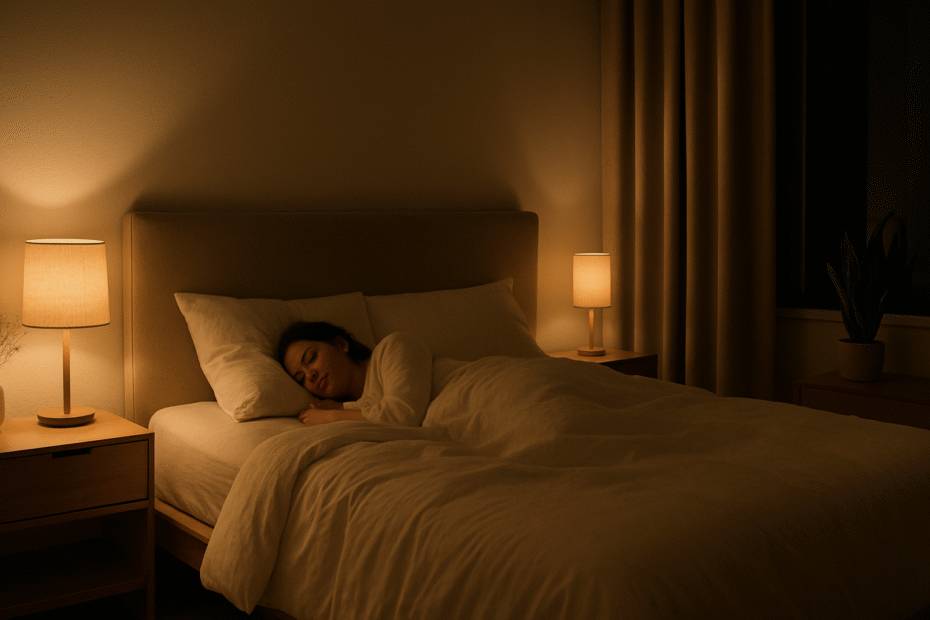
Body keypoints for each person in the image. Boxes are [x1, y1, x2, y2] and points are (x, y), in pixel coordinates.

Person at [278, 321, 435, 428]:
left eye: (311, 358)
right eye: (301, 379)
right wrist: (340, 408)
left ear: (340, 344)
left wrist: (329, 417)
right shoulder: (355, 408)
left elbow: (402, 415)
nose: (309, 376)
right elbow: (375, 408)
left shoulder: (394, 346)